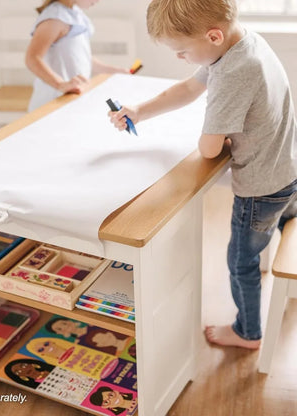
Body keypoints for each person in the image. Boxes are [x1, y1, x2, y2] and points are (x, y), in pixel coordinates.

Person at [109, 0, 297, 349]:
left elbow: (209, 149)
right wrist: (139, 111)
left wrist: (212, 133)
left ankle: (248, 332)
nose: (180, 58)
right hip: (287, 166)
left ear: (213, 36)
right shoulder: (243, 42)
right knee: (279, 223)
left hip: (261, 187)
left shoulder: (232, 71)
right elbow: (189, 88)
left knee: (241, 262)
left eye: (181, 52)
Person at [26, 0, 130, 111]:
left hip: (70, 99)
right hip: (51, 103)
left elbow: (80, 57)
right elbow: (32, 58)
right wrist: (61, 84)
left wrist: (113, 71)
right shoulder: (55, 19)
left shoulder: (75, 14)